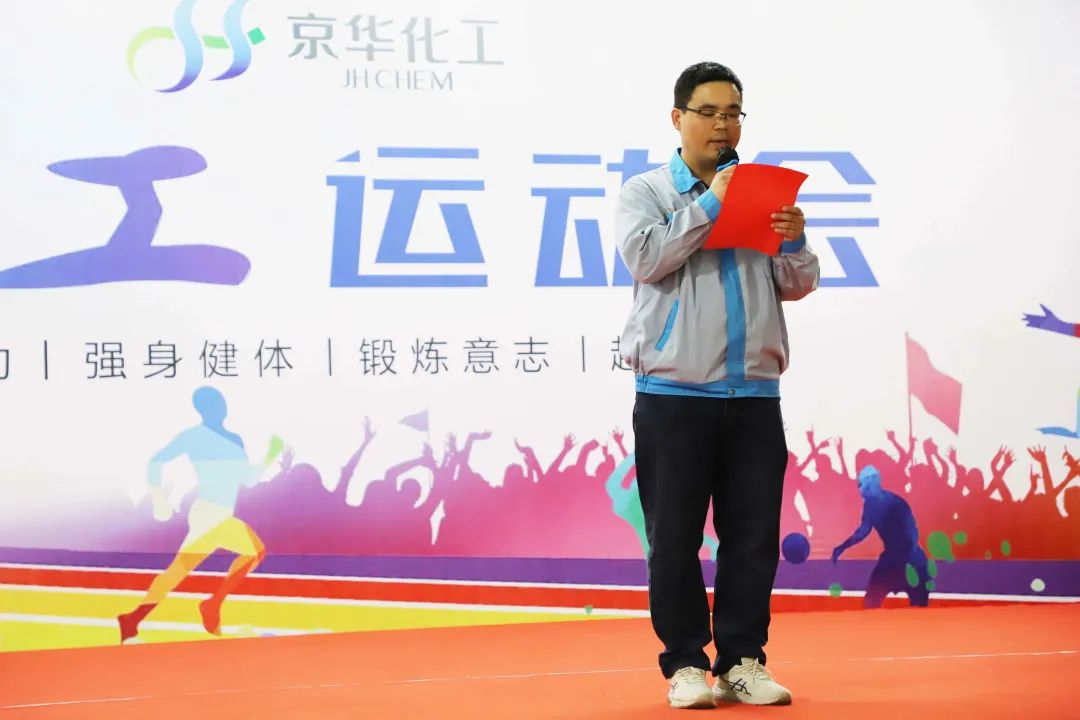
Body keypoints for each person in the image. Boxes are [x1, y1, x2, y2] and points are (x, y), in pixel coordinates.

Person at [616, 61, 819, 709]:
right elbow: (645, 258)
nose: (722, 124)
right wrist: (711, 205)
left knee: (752, 539)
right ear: (678, 118)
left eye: (733, 113)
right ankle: (684, 665)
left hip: (755, 393)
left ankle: (742, 661)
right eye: (708, 112)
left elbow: (796, 285)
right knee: (674, 539)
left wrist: (794, 241)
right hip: (673, 395)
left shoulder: (762, 191)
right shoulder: (648, 191)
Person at [117, 387, 282, 643]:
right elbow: (156, 461)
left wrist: (271, 455)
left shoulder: (235, 439)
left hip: (218, 515)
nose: (221, 408)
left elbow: (248, 479)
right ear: (203, 410)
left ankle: (135, 619)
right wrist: (158, 498)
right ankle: (208, 605)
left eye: (221, 402)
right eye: (214, 404)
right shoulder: (193, 437)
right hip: (209, 515)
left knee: (182, 570)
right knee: (249, 553)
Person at [831, 465, 931, 608]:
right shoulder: (870, 505)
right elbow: (862, 532)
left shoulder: (896, 503)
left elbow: (911, 532)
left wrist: (907, 560)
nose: (859, 489)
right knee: (871, 601)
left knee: (919, 605)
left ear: (870, 483)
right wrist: (843, 547)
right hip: (895, 559)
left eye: (860, 484)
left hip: (911, 559)